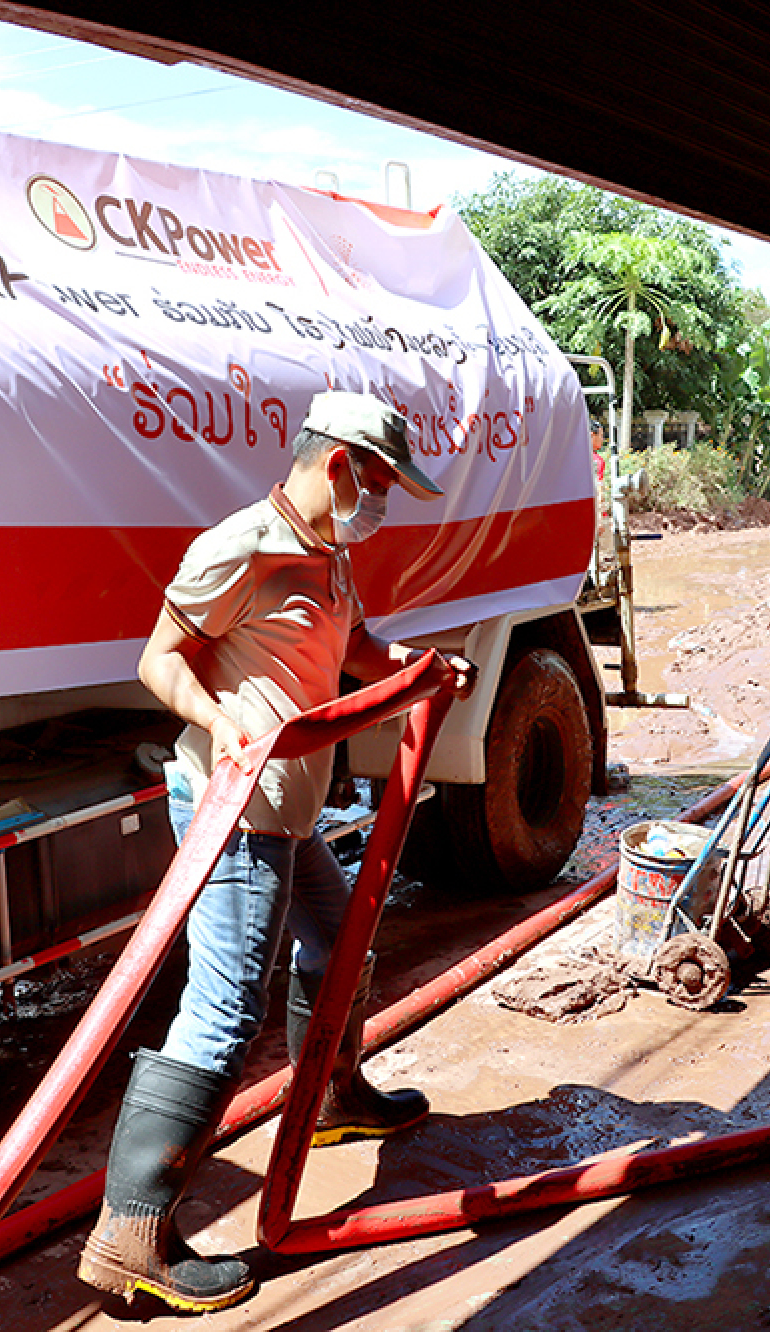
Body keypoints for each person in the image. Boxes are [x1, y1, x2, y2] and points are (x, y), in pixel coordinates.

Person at [77, 390, 474, 1314]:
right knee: (223, 1007)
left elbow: (356, 649)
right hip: (238, 808)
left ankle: (331, 1100)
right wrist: (222, 725)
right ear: (339, 467)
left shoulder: (330, 554)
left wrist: (421, 667)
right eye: (378, 485)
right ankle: (130, 1232)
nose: (381, 506)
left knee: (340, 946)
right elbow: (160, 659)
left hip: (287, 810)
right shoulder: (241, 546)